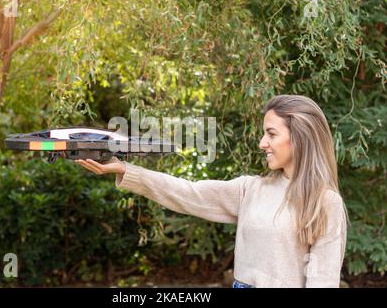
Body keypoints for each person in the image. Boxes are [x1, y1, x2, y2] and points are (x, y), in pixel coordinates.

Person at [75, 94, 348, 288]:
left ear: (299, 137)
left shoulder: (325, 202)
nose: (262, 142)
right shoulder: (251, 189)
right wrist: (126, 170)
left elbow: (323, 282)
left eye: (271, 134)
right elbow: (188, 193)